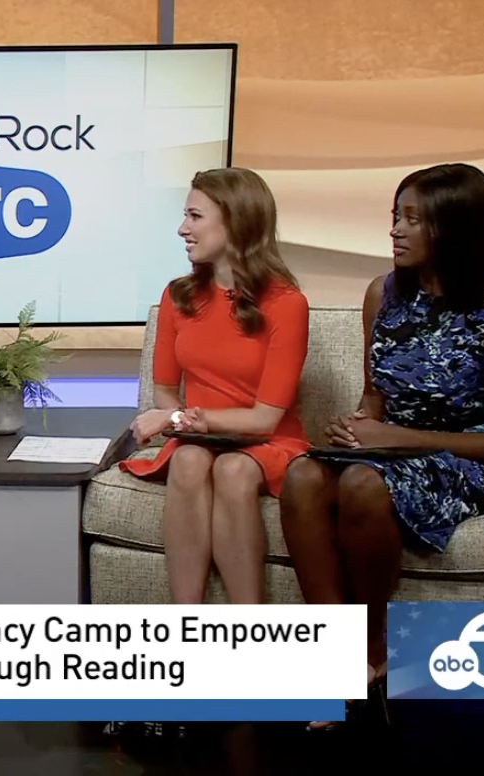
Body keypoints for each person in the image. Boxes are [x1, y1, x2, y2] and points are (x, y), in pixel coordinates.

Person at [278, 163, 484, 730]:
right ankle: (335, 659)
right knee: (302, 475)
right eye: (396, 215)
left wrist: (393, 438)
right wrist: (357, 427)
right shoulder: (383, 294)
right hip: (391, 451)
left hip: (472, 461)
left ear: (454, 227)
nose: (396, 229)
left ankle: (373, 654)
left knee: (362, 484)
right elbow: (376, 396)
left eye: (413, 219)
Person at [122, 167, 310, 605]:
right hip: (198, 437)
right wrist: (181, 420)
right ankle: (186, 619)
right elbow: (165, 390)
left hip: (267, 441)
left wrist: (178, 417)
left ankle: (247, 623)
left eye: (195, 216)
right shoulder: (178, 296)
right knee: (189, 461)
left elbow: (265, 419)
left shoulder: (287, 304)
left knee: (233, 470)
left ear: (236, 221)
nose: (182, 229)